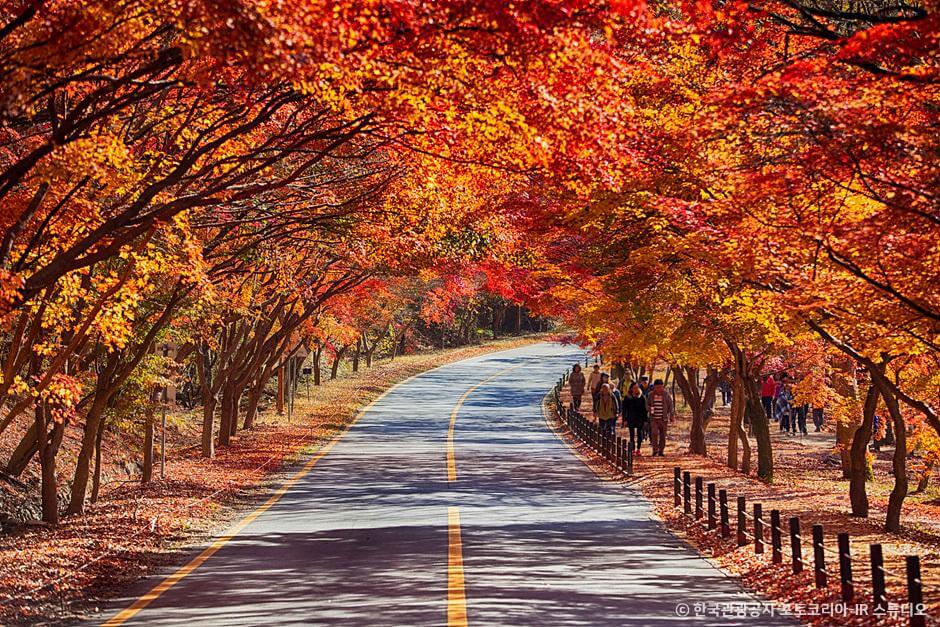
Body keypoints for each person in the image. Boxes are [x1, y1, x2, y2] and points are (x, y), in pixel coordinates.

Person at [646, 378, 675, 456]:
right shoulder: (650, 395)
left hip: (663, 418)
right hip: (654, 418)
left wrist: (671, 415)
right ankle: (655, 449)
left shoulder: (666, 395)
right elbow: (647, 405)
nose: (659, 389)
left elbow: (671, 406)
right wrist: (650, 409)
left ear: (663, 387)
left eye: (660, 387)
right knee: (654, 433)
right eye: (657, 387)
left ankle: (661, 450)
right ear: (654, 387)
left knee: (663, 435)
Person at [622, 382, 648, 454]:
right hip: (631, 418)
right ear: (631, 389)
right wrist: (624, 419)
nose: (636, 389)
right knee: (631, 434)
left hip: (640, 418)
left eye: (637, 387)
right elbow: (625, 409)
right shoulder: (627, 397)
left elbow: (644, 410)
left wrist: (645, 419)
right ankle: (632, 449)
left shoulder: (642, 397)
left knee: (639, 434)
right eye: (634, 388)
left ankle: (638, 449)